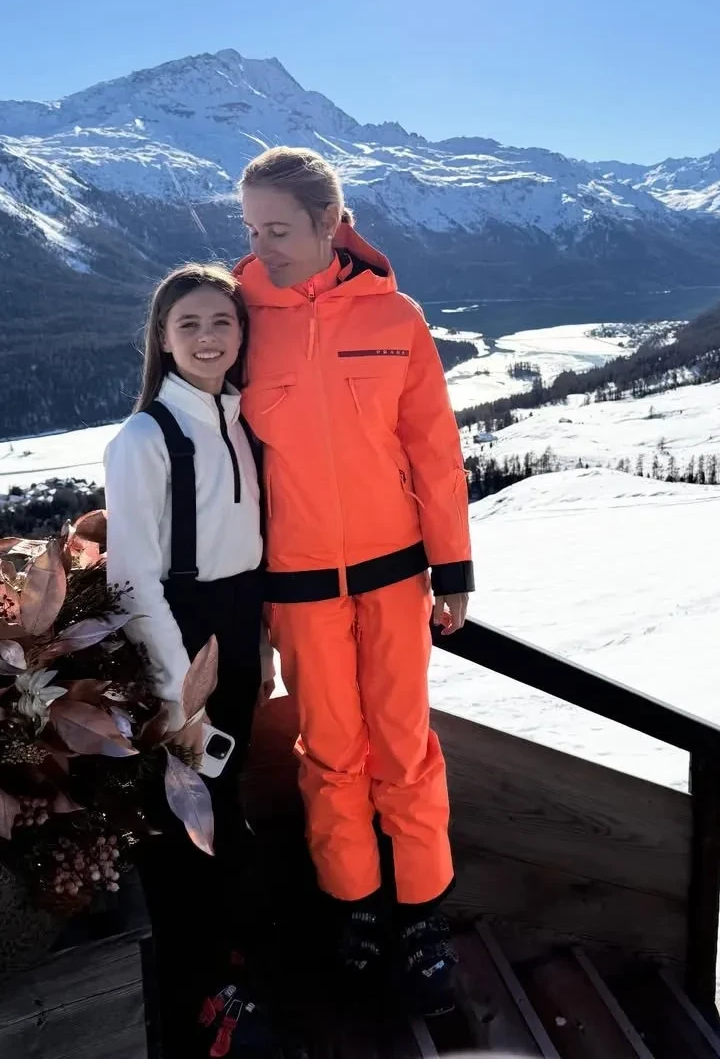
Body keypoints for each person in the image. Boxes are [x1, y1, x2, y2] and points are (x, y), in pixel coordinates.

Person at [235, 146, 473, 1015]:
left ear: (330, 225)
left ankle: (422, 916)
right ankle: (355, 906)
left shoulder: (396, 316)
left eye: (278, 229)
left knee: (404, 747)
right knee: (329, 752)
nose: (261, 246)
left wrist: (453, 567)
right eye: (251, 228)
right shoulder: (239, 318)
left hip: (394, 572)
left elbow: (433, 448)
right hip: (296, 582)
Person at [104, 263, 272, 1053]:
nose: (208, 338)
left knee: (223, 802)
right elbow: (131, 578)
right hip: (183, 639)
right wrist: (180, 694)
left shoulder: (238, 421)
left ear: (241, 334)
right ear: (163, 341)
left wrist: (258, 647)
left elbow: (248, 553)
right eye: (189, 325)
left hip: (234, 631)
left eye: (222, 322)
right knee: (185, 823)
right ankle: (198, 1000)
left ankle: (229, 968)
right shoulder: (147, 437)